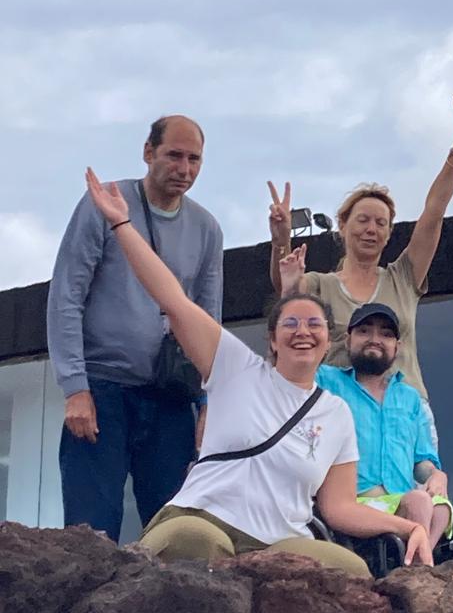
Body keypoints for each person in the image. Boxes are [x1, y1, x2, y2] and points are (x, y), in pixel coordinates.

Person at [82, 168, 434, 575]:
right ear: (272, 339)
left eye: (314, 325)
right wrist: (122, 226)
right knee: (195, 543)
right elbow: (172, 298)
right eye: (291, 323)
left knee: (349, 572)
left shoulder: (336, 413)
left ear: (328, 341)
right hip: (204, 517)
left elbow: (339, 508)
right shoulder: (235, 367)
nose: (303, 332)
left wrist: (409, 527)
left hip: (281, 538)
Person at [47, 116, 224, 541]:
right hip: (101, 389)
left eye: (194, 159)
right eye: (174, 155)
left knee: (176, 531)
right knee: (91, 532)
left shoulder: (207, 228)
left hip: (170, 395)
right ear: (148, 152)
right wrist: (75, 388)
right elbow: (66, 296)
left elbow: (208, 320)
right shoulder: (104, 204)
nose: (184, 169)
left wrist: (209, 402)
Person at [266, 93, 453, 397]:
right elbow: (286, 291)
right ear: (343, 225)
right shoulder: (320, 285)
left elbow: (434, 213)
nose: (371, 229)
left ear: (389, 232)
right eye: (363, 220)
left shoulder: (402, 278)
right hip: (340, 411)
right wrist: (281, 239)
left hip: (404, 411)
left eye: (381, 223)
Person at [311, 292, 453, 551]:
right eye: (364, 331)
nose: (375, 339)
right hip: (350, 504)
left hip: (401, 501)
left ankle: (422, 561)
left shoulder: (410, 398)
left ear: (397, 347)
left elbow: (421, 462)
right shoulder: (326, 381)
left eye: (386, 334)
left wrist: (437, 476)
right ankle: (420, 566)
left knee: (441, 507)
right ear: (347, 340)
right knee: (420, 502)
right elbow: (292, 368)